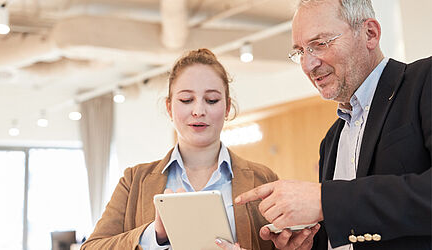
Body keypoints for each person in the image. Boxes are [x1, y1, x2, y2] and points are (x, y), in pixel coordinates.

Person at [233, 0, 431, 249]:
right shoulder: (331, 140)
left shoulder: (424, 81)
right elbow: (347, 232)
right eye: (300, 51)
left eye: (319, 44)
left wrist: (323, 200)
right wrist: (307, 242)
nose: (308, 65)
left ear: (370, 33)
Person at [81, 48, 288, 250]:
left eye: (212, 100)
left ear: (226, 107)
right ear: (169, 107)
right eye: (186, 100)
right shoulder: (134, 180)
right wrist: (155, 235)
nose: (198, 111)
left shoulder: (264, 179)